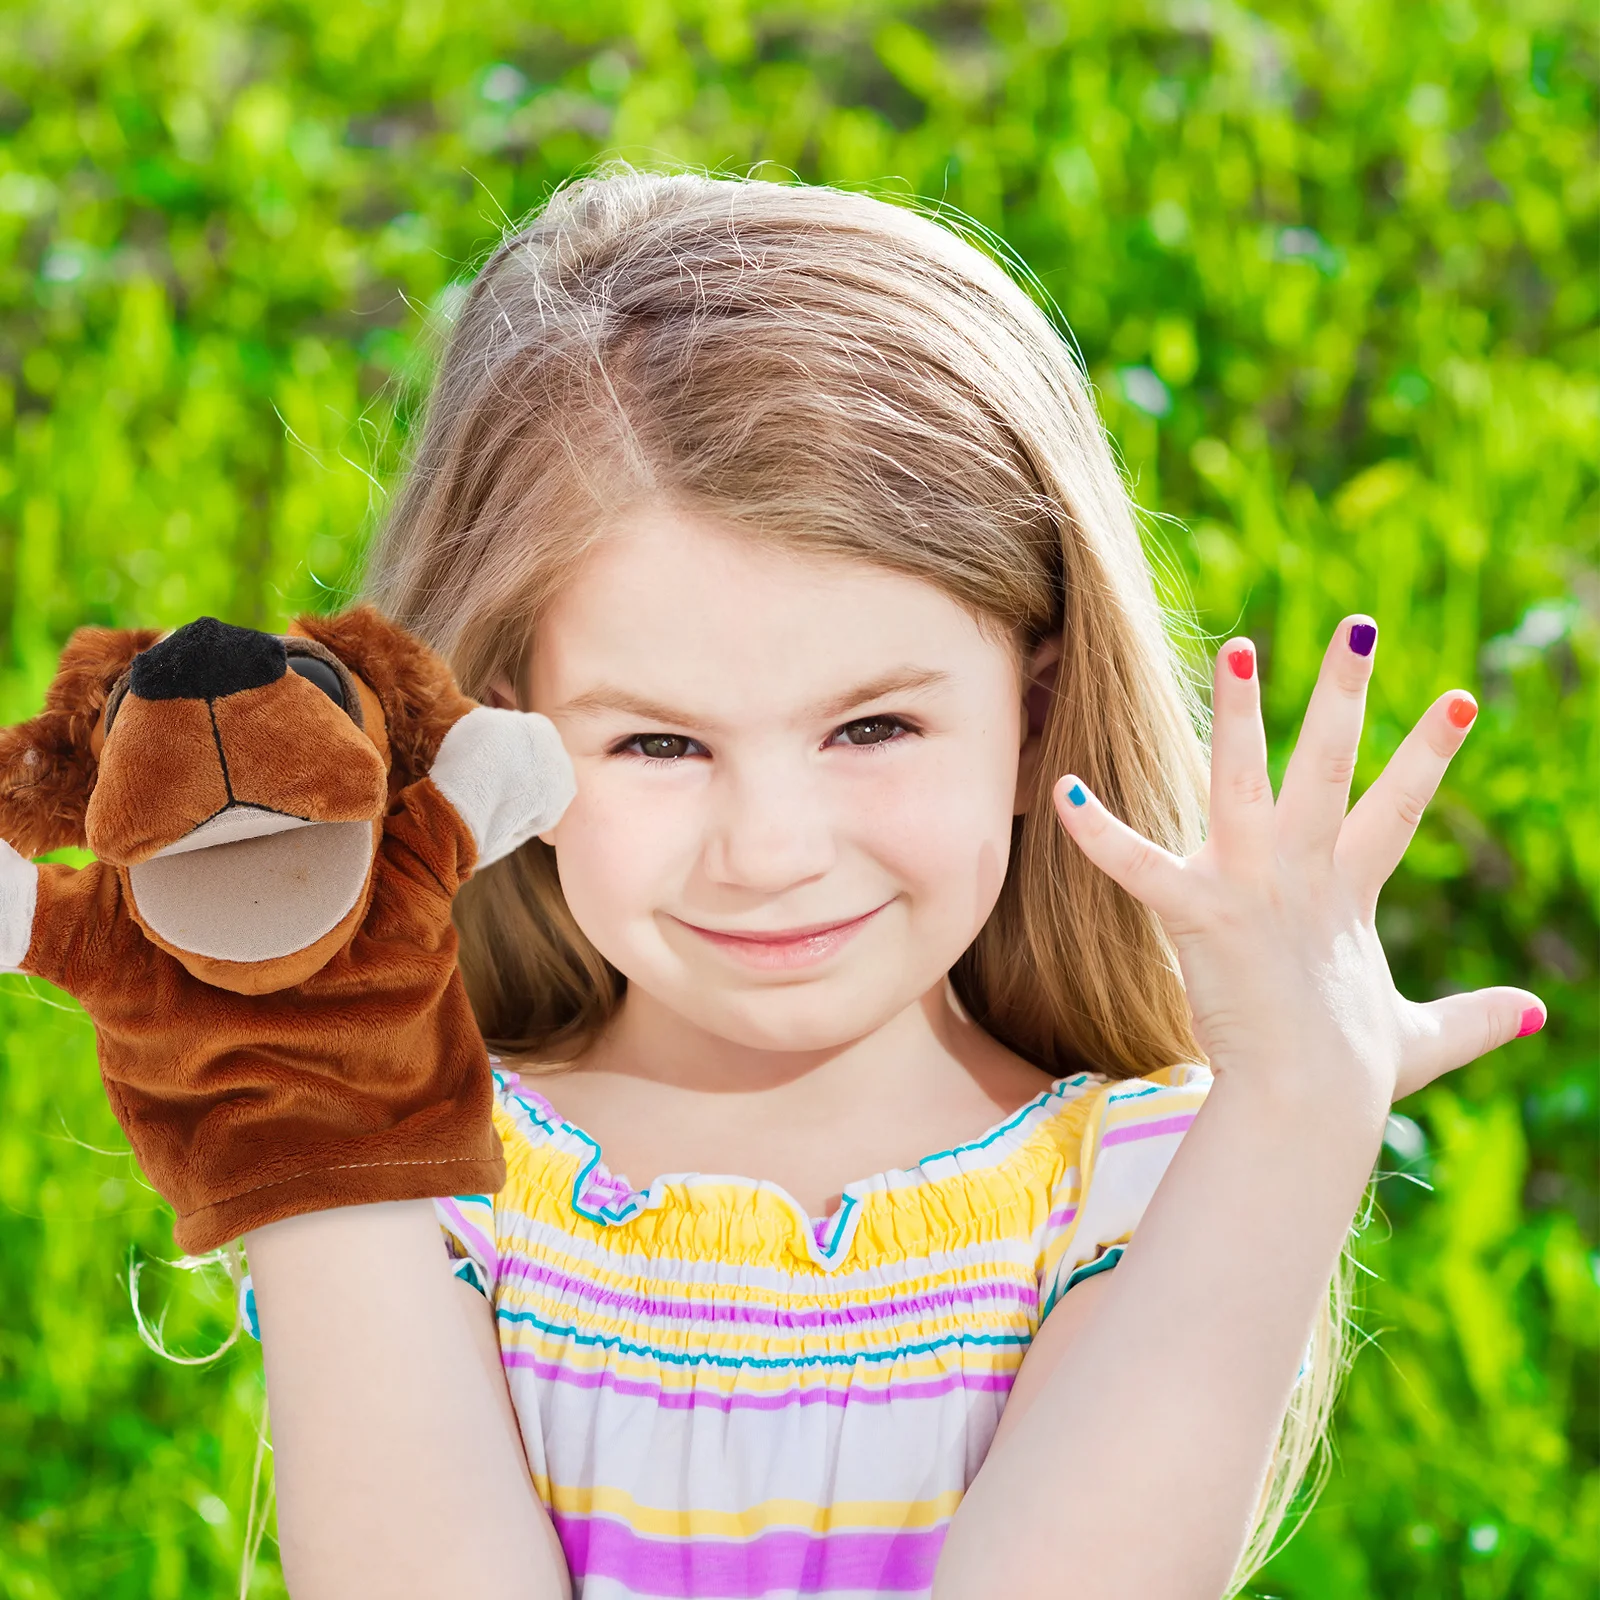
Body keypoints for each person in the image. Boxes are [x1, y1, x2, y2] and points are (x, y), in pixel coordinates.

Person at [225, 168, 1540, 1600]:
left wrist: (1296, 1112)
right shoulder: (393, 1170)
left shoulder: (1146, 1198)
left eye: (873, 728)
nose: (773, 849)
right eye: (659, 741)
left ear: (1036, 712)